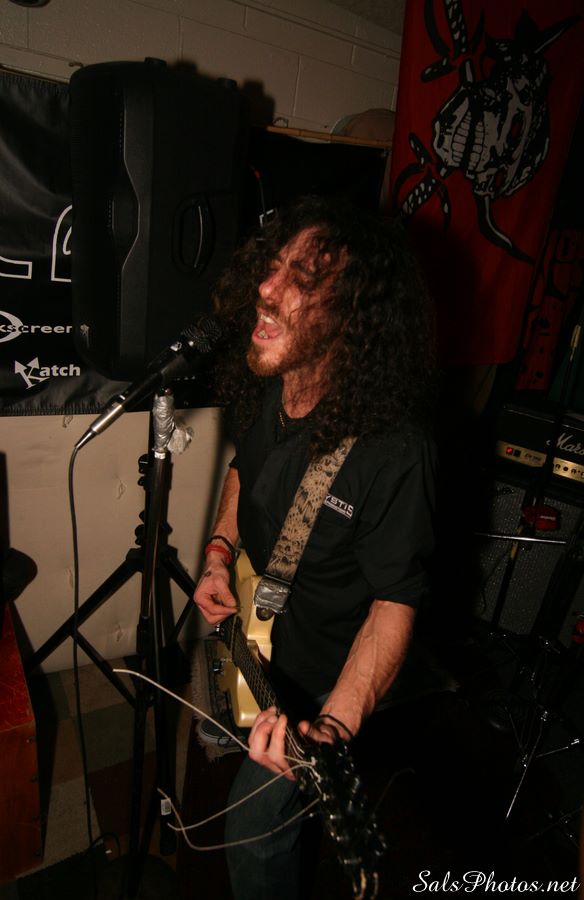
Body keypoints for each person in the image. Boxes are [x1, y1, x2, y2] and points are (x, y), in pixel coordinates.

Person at [193, 194, 437, 899]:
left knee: (251, 831)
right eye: (273, 266)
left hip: (325, 682)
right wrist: (218, 552)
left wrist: (333, 726)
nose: (267, 290)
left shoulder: (394, 449)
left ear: (353, 314)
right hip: (262, 639)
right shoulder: (271, 383)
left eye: (303, 278)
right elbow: (244, 469)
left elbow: (395, 602)